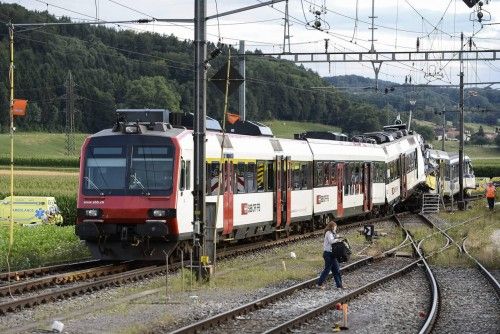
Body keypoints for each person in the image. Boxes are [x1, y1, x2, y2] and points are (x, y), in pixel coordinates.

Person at [316, 220, 343, 289]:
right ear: (332, 227)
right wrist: (337, 239)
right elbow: (331, 241)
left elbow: (334, 237)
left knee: (336, 269)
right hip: (328, 254)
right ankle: (319, 284)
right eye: (335, 227)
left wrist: (337, 237)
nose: (335, 228)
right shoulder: (328, 233)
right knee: (327, 269)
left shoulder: (332, 233)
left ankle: (339, 285)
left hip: (332, 254)